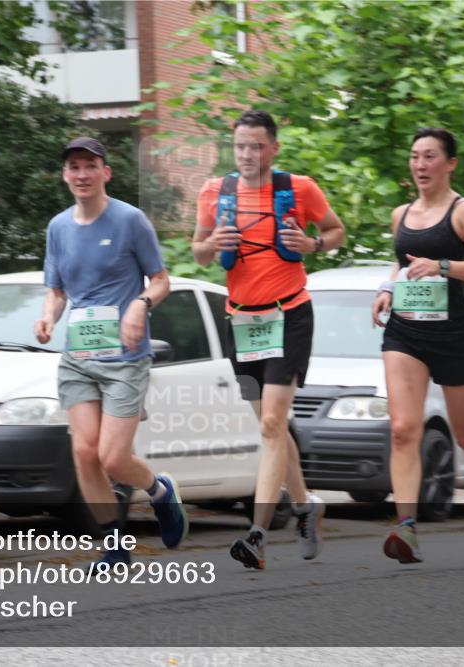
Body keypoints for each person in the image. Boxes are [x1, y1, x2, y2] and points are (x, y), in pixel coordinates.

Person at [192, 110, 347, 570]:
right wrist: (211, 242)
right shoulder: (214, 193)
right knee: (273, 428)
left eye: (257, 145)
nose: (247, 154)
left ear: (273, 148)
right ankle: (305, 508)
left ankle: (257, 535)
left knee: (271, 425)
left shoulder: (299, 188)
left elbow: (335, 231)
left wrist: (314, 245)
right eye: (240, 145)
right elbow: (199, 253)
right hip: (241, 322)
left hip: (290, 314)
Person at [34, 136, 186, 571]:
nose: (81, 174)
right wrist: (48, 316)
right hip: (79, 358)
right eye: (73, 167)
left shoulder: (130, 220)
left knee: (113, 458)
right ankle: (114, 545)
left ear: (106, 172)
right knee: (84, 453)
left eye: (89, 166)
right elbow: (57, 290)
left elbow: (160, 280)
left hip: (125, 358)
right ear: (65, 175)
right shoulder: (58, 227)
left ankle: (160, 492)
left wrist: (140, 305)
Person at [371, 127, 464, 564]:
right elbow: (400, 264)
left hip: (456, 335)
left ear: (450, 164)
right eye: (414, 156)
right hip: (406, 332)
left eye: (430, 157)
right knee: (402, 428)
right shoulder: (401, 214)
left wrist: (444, 266)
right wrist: (387, 288)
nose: (420, 165)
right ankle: (406, 528)